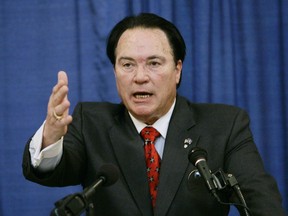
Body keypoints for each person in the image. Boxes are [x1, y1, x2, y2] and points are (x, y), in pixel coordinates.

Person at [22, 13, 286, 216]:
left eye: (154, 63)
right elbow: (53, 172)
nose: (140, 77)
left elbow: (261, 203)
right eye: (127, 65)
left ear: (178, 69)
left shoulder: (225, 125)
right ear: (114, 71)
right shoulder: (90, 122)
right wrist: (50, 138)